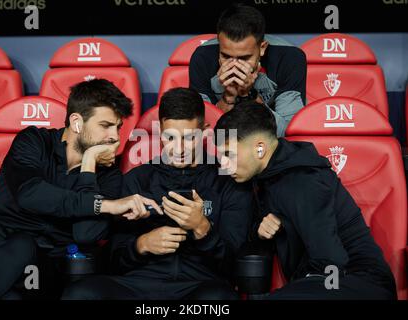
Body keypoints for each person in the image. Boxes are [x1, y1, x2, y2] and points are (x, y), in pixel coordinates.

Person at [0, 79, 160, 300]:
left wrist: (89, 164)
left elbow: (86, 235)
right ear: (76, 123)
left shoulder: (108, 174)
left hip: (43, 274)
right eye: (105, 125)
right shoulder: (33, 141)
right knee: (19, 258)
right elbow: (30, 195)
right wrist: (105, 206)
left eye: (118, 127)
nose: (114, 136)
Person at [61, 88, 254, 300]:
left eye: (189, 138)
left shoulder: (227, 182)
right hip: (137, 285)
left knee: (220, 299)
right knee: (80, 294)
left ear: (205, 132)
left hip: (199, 285)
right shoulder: (137, 179)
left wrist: (202, 228)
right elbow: (112, 258)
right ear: (160, 132)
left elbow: (233, 264)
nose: (179, 149)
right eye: (170, 137)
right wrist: (141, 244)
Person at [213, 102, 396, 299]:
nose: (223, 164)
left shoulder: (302, 180)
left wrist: (319, 293)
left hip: (358, 282)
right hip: (324, 281)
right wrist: (260, 230)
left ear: (260, 149)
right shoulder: (269, 175)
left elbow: (331, 261)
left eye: (229, 154)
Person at [189, 3, 306, 137]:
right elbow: (202, 132)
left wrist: (249, 95)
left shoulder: (289, 58)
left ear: (262, 48)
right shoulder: (203, 58)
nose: (234, 66)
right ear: (219, 46)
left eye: (244, 58)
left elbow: (287, 132)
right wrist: (228, 97)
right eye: (226, 56)